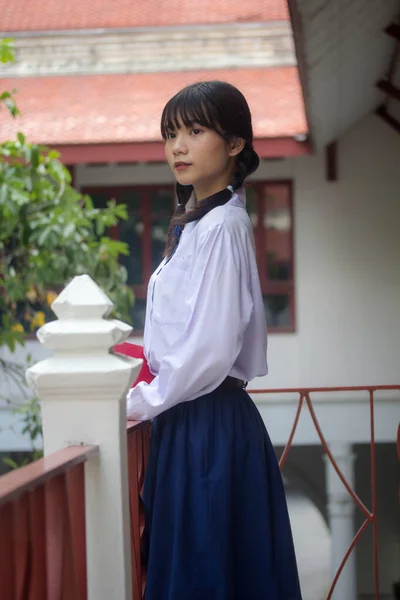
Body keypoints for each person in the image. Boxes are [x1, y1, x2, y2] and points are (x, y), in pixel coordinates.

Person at [126, 80, 302, 600]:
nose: (177, 146)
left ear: (234, 144)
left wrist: (138, 402)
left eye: (195, 130)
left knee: (204, 572)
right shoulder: (196, 224)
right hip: (187, 419)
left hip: (207, 423)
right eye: (170, 134)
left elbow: (209, 348)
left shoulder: (224, 225)